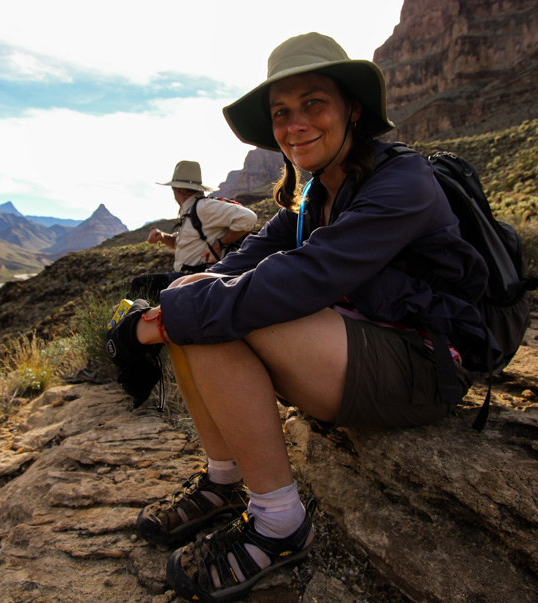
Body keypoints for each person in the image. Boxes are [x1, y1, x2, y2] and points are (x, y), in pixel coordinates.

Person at [111, 32, 489, 602]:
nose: (296, 124)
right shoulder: (312, 195)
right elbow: (240, 263)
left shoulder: (402, 182)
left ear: (352, 110)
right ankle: (223, 480)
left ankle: (280, 524)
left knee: (214, 314)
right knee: (199, 296)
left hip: (426, 366)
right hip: (360, 348)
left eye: (314, 104)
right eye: (282, 113)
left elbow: (310, 277)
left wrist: (154, 323)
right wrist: (168, 301)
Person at [128, 160, 257, 296]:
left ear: (178, 189)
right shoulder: (191, 210)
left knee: (141, 284)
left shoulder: (203, 207)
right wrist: (163, 237)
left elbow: (249, 218)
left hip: (194, 280)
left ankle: (128, 317)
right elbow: (188, 245)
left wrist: (219, 245)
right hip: (187, 277)